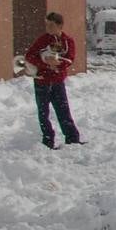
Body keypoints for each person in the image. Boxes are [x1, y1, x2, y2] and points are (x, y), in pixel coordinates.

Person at [24, 11, 84, 150]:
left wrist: (58, 64)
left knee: (63, 111)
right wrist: (45, 63)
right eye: (47, 25)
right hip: (42, 82)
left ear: (60, 25)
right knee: (43, 113)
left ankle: (72, 139)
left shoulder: (68, 41)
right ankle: (48, 141)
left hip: (57, 82)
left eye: (51, 25)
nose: (48, 28)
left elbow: (70, 59)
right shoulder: (43, 40)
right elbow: (29, 56)